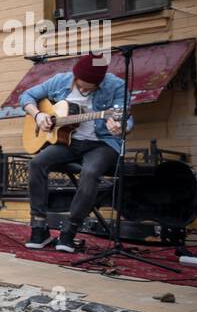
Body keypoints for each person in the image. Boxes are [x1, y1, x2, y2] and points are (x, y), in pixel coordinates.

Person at [20, 52, 130, 253]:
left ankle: (69, 232)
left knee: (90, 173)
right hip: (68, 142)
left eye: (88, 87)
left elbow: (127, 119)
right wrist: (38, 115)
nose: (82, 89)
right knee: (36, 164)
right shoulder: (61, 80)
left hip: (101, 144)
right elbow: (26, 96)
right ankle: (39, 227)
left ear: (100, 82)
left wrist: (119, 126)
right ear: (74, 75)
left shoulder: (116, 86)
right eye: (79, 84)